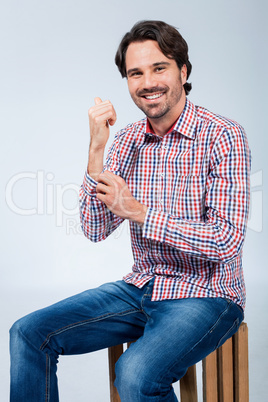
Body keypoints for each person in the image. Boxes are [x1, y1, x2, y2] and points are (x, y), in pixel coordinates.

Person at [10, 20, 251, 401]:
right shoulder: (126, 140)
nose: (147, 82)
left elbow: (226, 241)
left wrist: (139, 212)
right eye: (135, 73)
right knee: (28, 332)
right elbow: (93, 228)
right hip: (141, 286)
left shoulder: (222, 135)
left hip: (207, 294)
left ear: (183, 72)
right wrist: (95, 151)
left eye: (159, 68)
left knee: (136, 374)